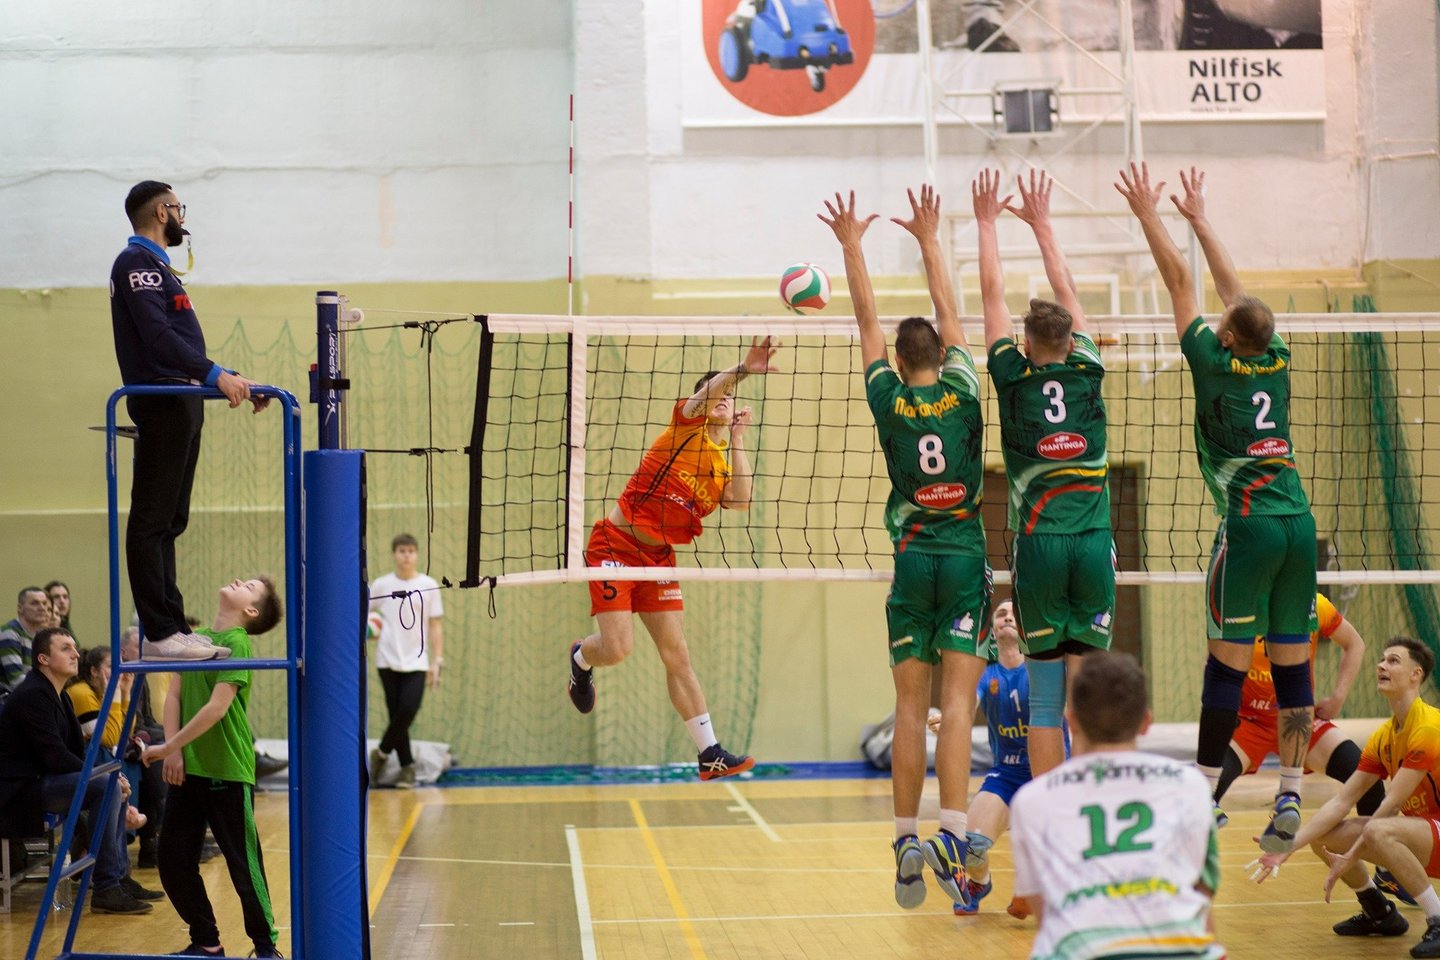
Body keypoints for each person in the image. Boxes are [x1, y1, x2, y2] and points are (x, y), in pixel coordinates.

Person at [1117, 163, 1318, 854]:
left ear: (1228, 337)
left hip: (1250, 524)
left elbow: (1182, 284)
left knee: (1227, 665)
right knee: (1293, 665)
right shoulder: (1276, 354)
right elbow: (1238, 296)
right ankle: (1290, 791)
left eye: (1224, 322)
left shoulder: (1212, 360)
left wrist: (1150, 215)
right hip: (1299, 522)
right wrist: (1201, 220)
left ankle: (1204, 795)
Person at [820, 186, 990, 910]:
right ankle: (953, 831)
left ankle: (903, 839)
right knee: (958, 705)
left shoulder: (886, 398)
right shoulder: (966, 388)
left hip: (912, 563)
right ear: (943, 355)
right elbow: (951, 312)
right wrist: (928, 238)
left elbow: (864, 321)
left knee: (909, 705)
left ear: (897, 358)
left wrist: (851, 246)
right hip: (964, 559)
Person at [565, 335, 778, 782]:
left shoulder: (721, 463)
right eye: (719, 395)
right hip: (615, 546)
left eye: (729, 398)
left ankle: (709, 753)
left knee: (677, 653)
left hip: (658, 558)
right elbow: (710, 393)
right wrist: (742, 369)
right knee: (617, 649)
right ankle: (581, 659)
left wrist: (738, 440)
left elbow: (740, 502)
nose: (724, 400)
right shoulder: (684, 428)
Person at [975, 169, 1114, 778]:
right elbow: (1068, 291)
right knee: (1088, 697)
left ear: (1025, 345)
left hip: (1039, 547)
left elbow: (991, 299)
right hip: (1092, 544)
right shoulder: (1088, 366)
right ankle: (1089, 803)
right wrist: (1043, 225)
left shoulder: (1012, 375)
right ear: (1071, 339)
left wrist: (986, 224)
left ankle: (1051, 807)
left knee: (1045, 701)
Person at [110, 180, 269, 662]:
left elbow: (178, 345)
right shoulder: (135, 263)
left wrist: (230, 378)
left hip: (183, 397)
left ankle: (174, 627)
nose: (183, 217)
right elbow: (158, 338)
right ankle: (159, 632)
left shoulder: (158, 267)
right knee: (152, 519)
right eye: (179, 208)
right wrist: (214, 374)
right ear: (163, 212)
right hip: (162, 400)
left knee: (171, 520)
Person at [1010, 651, 1225, 959]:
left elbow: (1044, 911)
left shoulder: (1031, 800)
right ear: (1146, 722)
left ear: (1072, 720)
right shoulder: (1190, 785)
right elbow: (1203, 893)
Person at [1251, 637, 1440, 956]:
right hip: (1429, 835)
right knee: (1323, 835)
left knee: (1379, 829)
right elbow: (1342, 800)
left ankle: (1437, 918)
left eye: (1393, 661)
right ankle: (1378, 912)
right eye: (1381, 659)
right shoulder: (1384, 736)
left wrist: (1352, 854)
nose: (1381, 665)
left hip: (1433, 832)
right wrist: (1288, 847)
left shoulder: (1429, 727)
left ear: (1415, 674)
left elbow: (1392, 803)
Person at [141, 576, 284, 958]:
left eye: (249, 585)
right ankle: (206, 940)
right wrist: (174, 752)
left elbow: (217, 708)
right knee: (172, 860)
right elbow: (174, 696)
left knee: (243, 865)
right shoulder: (195, 639)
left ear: (250, 610)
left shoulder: (238, 642)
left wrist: (170, 745)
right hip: (188, 769)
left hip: (227, 769)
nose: (239, 580)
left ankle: (265, 947)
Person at [927, 599, 1068, 915]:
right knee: (970, 848)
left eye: (1014, 614)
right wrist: (950, 722)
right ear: (992, 629)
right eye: (1001, 614)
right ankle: (980, 882)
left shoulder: (1046, 667)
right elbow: (966, 706)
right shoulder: (985, 673)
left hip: (1048, 774)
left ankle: (1044, 889)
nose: (1007, 618)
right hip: (1007, 774)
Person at [0, 628, 154, 914]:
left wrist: (109, 773)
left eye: (74, 646)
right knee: (106, 785)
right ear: (43, 659)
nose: (75, 654)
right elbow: (55, 756)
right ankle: (106, 887)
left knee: (112, 782)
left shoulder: (60, 695)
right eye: (65, 648)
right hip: (21, 791)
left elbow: (75, 752)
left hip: (45, 780)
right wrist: (103, 775)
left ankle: (119, 877)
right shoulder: (32, 695)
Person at [1213, 592, 1385, 829]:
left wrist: (1338, 696)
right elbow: (1214, 664)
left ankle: (1376, 851)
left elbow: (1355, 643)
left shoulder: (1314, 604)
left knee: (1367, 780)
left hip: (1299, 719)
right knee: (1204, 791)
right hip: (1252, 723)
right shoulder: (1240, 607)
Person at [367, 533, 445, 789]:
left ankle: (380, 754)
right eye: (402, 551)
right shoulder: (382, 584)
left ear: (417, 554)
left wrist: (438, 660)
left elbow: (435, 625)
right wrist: (370, 629)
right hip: (387, 659)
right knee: (396, 714)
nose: (406, 556)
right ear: (394, 554)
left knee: (407, 710)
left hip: (418, 660)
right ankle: (407, 769)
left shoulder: (428, 585)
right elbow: (365, 613)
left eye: (411, 551)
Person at [1, 586, 52, 697]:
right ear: (20, 608)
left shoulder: (40, 636)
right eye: (35, 603)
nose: (42, 608)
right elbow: (17, 682)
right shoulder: (10, 633)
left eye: (44, 603)